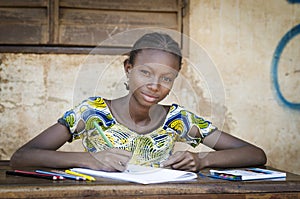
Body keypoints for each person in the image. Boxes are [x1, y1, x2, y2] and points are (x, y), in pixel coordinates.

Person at [10, 32, 267, 172]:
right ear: (128, 68)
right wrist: (89, 159)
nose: (155, 85)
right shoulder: (92, 112)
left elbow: (256, 154)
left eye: (166, 78)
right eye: (145, 72)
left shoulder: (178, 120)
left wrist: (202, 161)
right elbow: (22, 157)